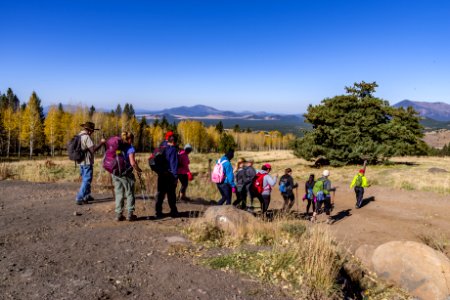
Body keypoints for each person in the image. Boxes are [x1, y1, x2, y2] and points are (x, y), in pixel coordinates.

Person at [113, 132, 143, 221]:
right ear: (130, 139)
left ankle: (119, 214)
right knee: (129, 193)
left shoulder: (118, 147)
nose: (133, 141)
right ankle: (130, 214)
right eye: (132, 139)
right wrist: (139, 170)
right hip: (126, 174)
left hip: (115, 173)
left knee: (119, 193)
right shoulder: (130, 148)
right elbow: (132, 163)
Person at [75, 122, 106, 205]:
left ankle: (86, 195)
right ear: (89, 130)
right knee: (87, 180)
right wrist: (101, 143)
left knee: (86, 179)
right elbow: (93, 150)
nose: (92, 133)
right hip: (87, 162)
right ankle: (79, 198)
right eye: (92, 131)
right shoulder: (86, 137)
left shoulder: (79, 135)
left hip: (80, 161)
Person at [155, 134, 179, 218]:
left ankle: (158, 212)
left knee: (160, 194)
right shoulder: (173, 150)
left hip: (161, 174)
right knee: (171, 194)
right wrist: (175, 177)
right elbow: (173, 164)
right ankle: (173, 211)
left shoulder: (161, 147)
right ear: (174, 142)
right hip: (170, 175)